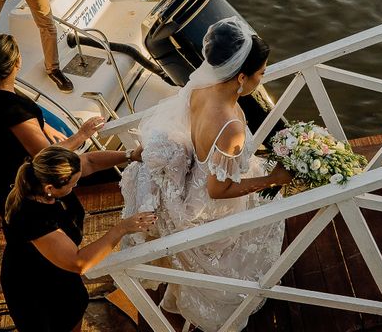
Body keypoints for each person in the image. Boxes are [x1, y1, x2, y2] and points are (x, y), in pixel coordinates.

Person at [121, 17, 292, 331]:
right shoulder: (231, 126)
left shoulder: (201, 88)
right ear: (241, 76)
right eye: (262, 73)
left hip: (191, 179)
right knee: (265, 218)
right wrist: (273, 179)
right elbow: (217, 190)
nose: (263, 78)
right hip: (208, 204)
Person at [2, 146, 157, 332]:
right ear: (50, 188)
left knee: (74, 311)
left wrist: (129, 154)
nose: (76, 185)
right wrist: (121, 228)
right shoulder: (33, 218)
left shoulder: (44, 175)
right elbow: (79, 262)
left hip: (63, 276)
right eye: (73, 184)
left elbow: (89, 161)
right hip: (36, 287)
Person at [0, 33, 135, 222]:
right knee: (65, 226)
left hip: (6, 184)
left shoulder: (2, 100)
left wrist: (44, 126)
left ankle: (132, 155)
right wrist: (82, 135)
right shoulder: (13, 108)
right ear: (17, 62)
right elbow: (46, 155)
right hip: (32, 193)